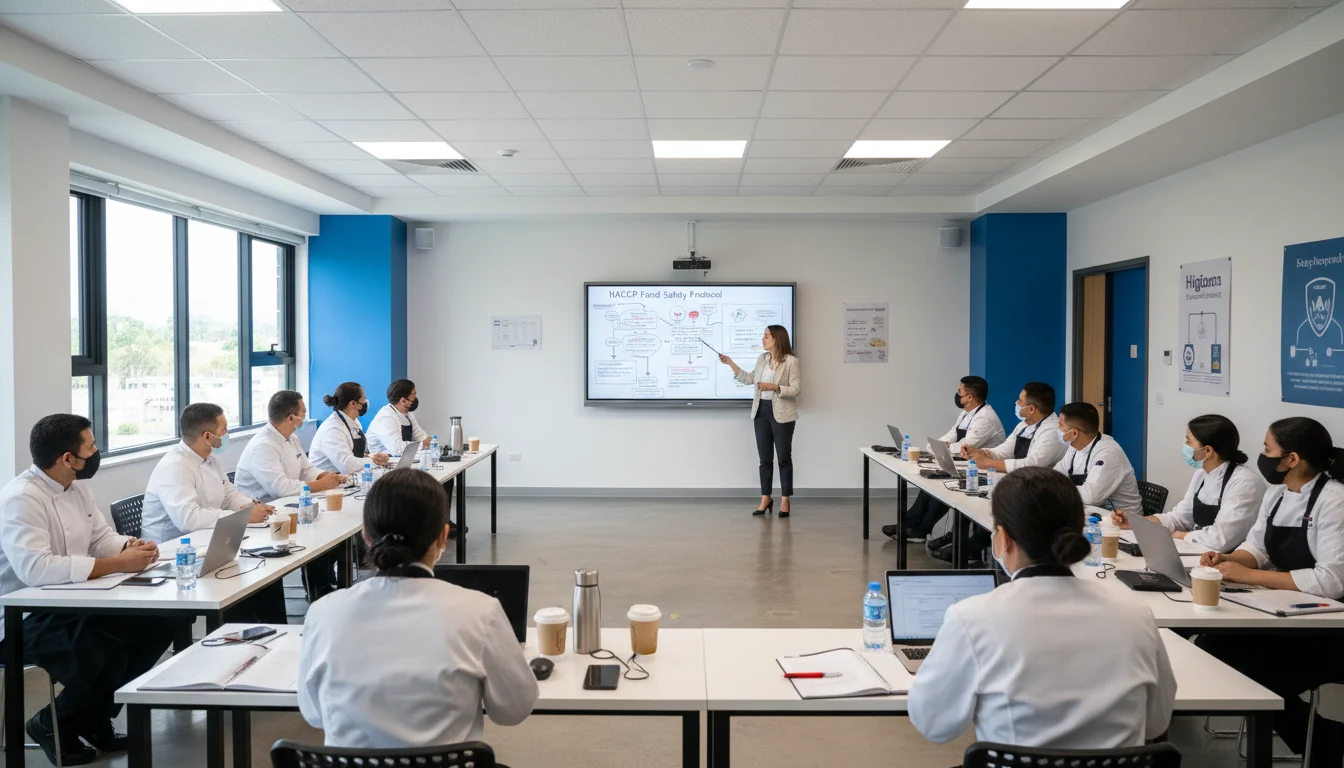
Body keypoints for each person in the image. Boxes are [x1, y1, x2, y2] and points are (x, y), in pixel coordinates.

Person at [908, 466, 1176, 749]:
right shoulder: (1134, 614)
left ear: (1003, 539)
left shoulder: (973, 617)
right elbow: (1157, 722)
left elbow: (934, 725)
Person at [297, 468, 538, 750]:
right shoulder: (479, 612)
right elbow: (514, 710)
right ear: (442, 537)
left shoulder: (324, 612)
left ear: (365, 536)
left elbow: (314, 715)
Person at [0, 415, 177, 766]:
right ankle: (53, 725)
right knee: (100, 651)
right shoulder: (22, 498)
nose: (96, 451)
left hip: (70, 602)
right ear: (67, 457)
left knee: (156, 625)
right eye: (91, 447)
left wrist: (130, 546)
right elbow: (36, 570)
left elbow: (99, 538)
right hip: (21, 616)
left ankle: (93, 719)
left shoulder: (77, 485)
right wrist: (118, 565)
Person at [1195, 417, 1344, 765]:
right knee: (1211, 646)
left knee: (1248, 666)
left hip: (1328, 626)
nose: (1260, 455)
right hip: (1284, 612)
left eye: (1266, 449)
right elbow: (1258, 548)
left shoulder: (1335, 500)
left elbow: (1331, 580)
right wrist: (1229, 559)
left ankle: (1322, 741)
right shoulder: (1277, 494)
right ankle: (1323, 738)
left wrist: (1249, 576)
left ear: (1291, 459)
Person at [140, 402, 286, 623]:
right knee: (240, 584)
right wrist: (244, 517)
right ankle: (242, 639)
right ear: (207, 436)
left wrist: (250, 506)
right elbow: (189, 519)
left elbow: (229, 495)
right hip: (173, 558)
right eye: (224, 429)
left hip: (207, 544)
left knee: (265, 576)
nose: (227, 433)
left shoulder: (210, 460)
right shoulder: (175, 466)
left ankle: (275, 637)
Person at [935, 382, 1069, 564]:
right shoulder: (1024, 425)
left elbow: (1033, 464)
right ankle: (963, 543)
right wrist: (980, 452)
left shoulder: (1051, 431)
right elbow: (1003, 450)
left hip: (1038, 491)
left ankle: (970, 548)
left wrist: (988, 462)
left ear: (1031, 408)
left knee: (1000, 509)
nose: (1016, 403)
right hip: (1020, 482)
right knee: (970, 496)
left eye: (1020, 401)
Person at [235, 390, 346, 600]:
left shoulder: (291, 437)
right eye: (303, 412)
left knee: (325, 535)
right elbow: (281, 488)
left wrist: (325, 475)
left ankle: (324, 587)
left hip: (289, 509)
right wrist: (321, 485)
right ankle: (320, 591)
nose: (305, 416)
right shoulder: (263, 446)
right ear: (290, 418)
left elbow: (306, 468)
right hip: (262, 519)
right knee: (316, 538)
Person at [1112, 414, 1264, 553]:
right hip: (1198, 550)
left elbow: (1221, 540)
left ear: (1208, 451)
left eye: (1188, 441)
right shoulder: (1202, 474)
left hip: (1227, 561)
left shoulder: (1244, 483)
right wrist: (1136, 522)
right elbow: (1180, 517)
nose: (1184, 445)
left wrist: (1183, 536)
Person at [884, 375, 1004, 542]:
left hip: (983, 470)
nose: (957, 395)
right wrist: (937, 445)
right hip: (965, 464)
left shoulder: (985, 418)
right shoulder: (966, 414)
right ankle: (909, 524)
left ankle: (921, 530)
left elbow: (965, 446)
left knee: (943, 487)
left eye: (959, 392)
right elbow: (951, 435)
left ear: (969, 397)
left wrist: (946, 446)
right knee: (931, 482)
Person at [718, 325, 801, 517]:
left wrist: (775, 387)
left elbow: (796, 389)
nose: (763, 339)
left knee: (783, 458)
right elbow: (748, 379)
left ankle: (785, 499)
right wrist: (730, 363)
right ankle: (766, 497)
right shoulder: (762, 359)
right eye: (763, 336)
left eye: (766, 336)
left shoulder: (791, 362)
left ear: (777, 339)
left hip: (782, 413)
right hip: (761, 412)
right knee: (764, 459)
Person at [1051, 401, 1142, 512]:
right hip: (1093, 512)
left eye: (1060, 425)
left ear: (1074, 433)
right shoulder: (1074, 447)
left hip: (1123, 522)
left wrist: (1056, 490)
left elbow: (1092, 496)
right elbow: (1056, 474)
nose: (1057, 429)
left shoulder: (1108, 452)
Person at [310, 382, 390, 475]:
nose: (366, 402)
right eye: (364, 398)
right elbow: (347, 465)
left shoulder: (354, 421)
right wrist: (373, 461)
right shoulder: (333, 429)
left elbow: (355, 453)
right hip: (327, 480)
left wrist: (373, 457)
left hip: (347, 476)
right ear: (353, 403)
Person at [367, 379, 431, 457]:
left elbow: (420, 436)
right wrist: (422, 444)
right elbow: (397, 448)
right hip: (382, 463)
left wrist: (427, 442)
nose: (415, 398)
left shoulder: (408, 414)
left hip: (402, 459)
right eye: (414, 395)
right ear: (403, 401)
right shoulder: (386, 418)